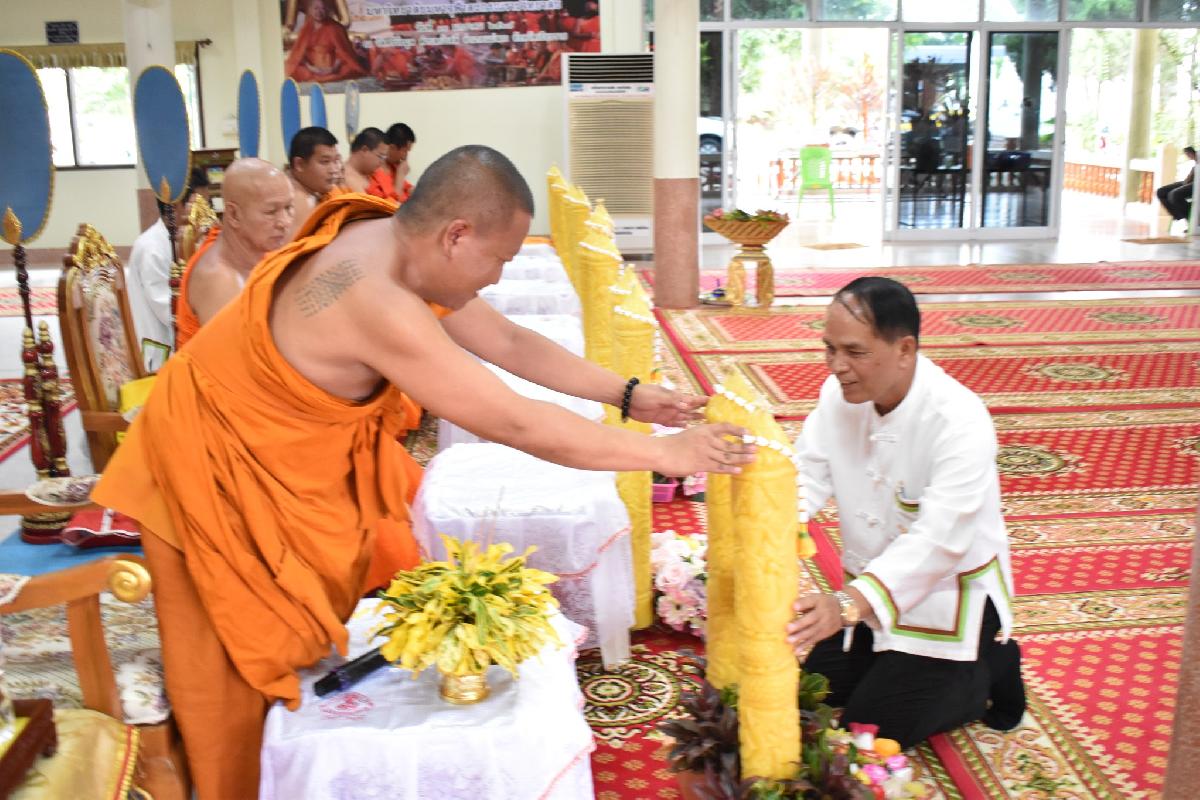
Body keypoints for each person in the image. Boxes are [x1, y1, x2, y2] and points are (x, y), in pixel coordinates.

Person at [92, 145, 755, 799]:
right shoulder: (375, 298)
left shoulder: (392, 236)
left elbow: (506, 340)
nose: (496, 278)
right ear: (456, 235)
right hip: (206, 471)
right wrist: (666, 454)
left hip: (271, 458)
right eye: (498, 259)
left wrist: (626, 395)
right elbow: (515, 422)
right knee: (233, 681)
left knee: (312, 629)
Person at [785, 276, 1025, 750]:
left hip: (947, 601)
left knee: (866, 732)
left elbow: (939, 542)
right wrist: (765, 529)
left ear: (905, 349)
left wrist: (846, 605)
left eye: (854, 352)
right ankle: (897, 662)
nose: (837, 366)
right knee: (809, 697)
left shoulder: (959, 420)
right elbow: (805, 476)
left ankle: (987, 668)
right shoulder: (839, 395)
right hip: (872, 591)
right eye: (829, 349)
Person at [174, 159, 295, 350]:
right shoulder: (218, 278)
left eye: (288, 208)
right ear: (234, 215)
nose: (285, 222)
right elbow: (241, 359)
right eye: (271, 212)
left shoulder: (261, 251)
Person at [125, 166, 210, 370]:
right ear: (176, 205)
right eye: (200, 207)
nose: (206, 216)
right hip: (159, 354)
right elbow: (170, 312)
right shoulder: (152, 249)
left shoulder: (185, 240)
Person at [284, 0, 367, 83]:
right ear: (310, 10)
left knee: (348, 69)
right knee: (295, 69)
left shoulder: (335, 28)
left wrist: (333, 68)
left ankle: (328, 75)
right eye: (316, 8)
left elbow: (343, 52)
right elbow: (299, 52)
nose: (319, 12)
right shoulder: (305, 29)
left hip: (333, 67)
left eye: (322, 9)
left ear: (327, 10)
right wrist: (311, 67)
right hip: (312, 68)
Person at [287, 126, 342, 238]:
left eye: (336, 160)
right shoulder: (297, 200)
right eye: (325, 161)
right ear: (299, 164)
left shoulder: (314, 189)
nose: (334, 170)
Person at [366, 121, 416, 204]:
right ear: (392, 147)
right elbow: (392, 205)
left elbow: (410, 190)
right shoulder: (373, 171)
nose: (405, 156)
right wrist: (400, 175)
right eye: (405, 151)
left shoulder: (394, 167)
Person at [1156, 145, 1196, 229]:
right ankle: (1178, 215)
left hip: (1196, 184)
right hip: (1188, 181)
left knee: (1174, 195)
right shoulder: (1195, 160)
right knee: (1160, 192)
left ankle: (1191, 219)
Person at [342, 126, 387, 193]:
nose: (382, 162)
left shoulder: (374, 173)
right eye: (380, 157)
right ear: (365, 150)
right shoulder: (347, 178)